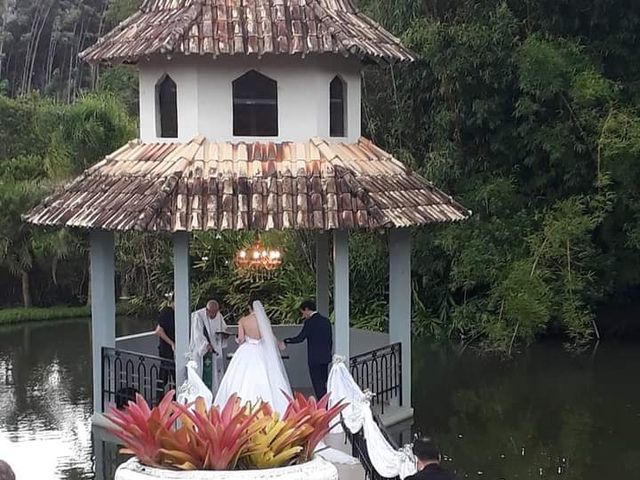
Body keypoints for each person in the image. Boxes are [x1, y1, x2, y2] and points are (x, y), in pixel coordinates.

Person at [213, 299, 292, 416]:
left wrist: (237, 339)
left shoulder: (243, 321)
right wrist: (279, 344)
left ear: (249, 308)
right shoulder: (264, 320)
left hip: (247, 350)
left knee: (241, 378)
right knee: (268, 377)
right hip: (263, 350)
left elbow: (241, 340)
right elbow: (270, 337)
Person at [281, 300, 332, 399]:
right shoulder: (326, 321)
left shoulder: (309, 322)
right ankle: (327, 402)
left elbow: (300, 338)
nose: (303, 315)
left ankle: (323, 406)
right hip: (325, 357)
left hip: (314, 358)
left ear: (307, 309)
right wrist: (328, 353)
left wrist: (287, 341)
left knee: (317, 384)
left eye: (302, 312)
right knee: (324, 382)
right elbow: (330, 340)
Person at [189, 299, 230, 395]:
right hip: (202, 352)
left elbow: (223, 328)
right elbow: (197, 334)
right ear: (207, 310)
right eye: (212, 313)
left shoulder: (219, 315)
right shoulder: (198, 316)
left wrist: (224, 335)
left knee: (216, 376)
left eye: (216, 312)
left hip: (215, 350)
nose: (214, 315)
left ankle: (215, 396)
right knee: (202, 373)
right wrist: (206, 345)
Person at [154, 296, 175, 399]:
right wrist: (171, 343)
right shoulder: (166, 312)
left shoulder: (179, 313)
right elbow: (158, 331)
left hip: (175, 351)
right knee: (164, 376)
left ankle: (172, 398)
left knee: (169, 375)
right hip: (166, 350)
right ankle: (160, 399)